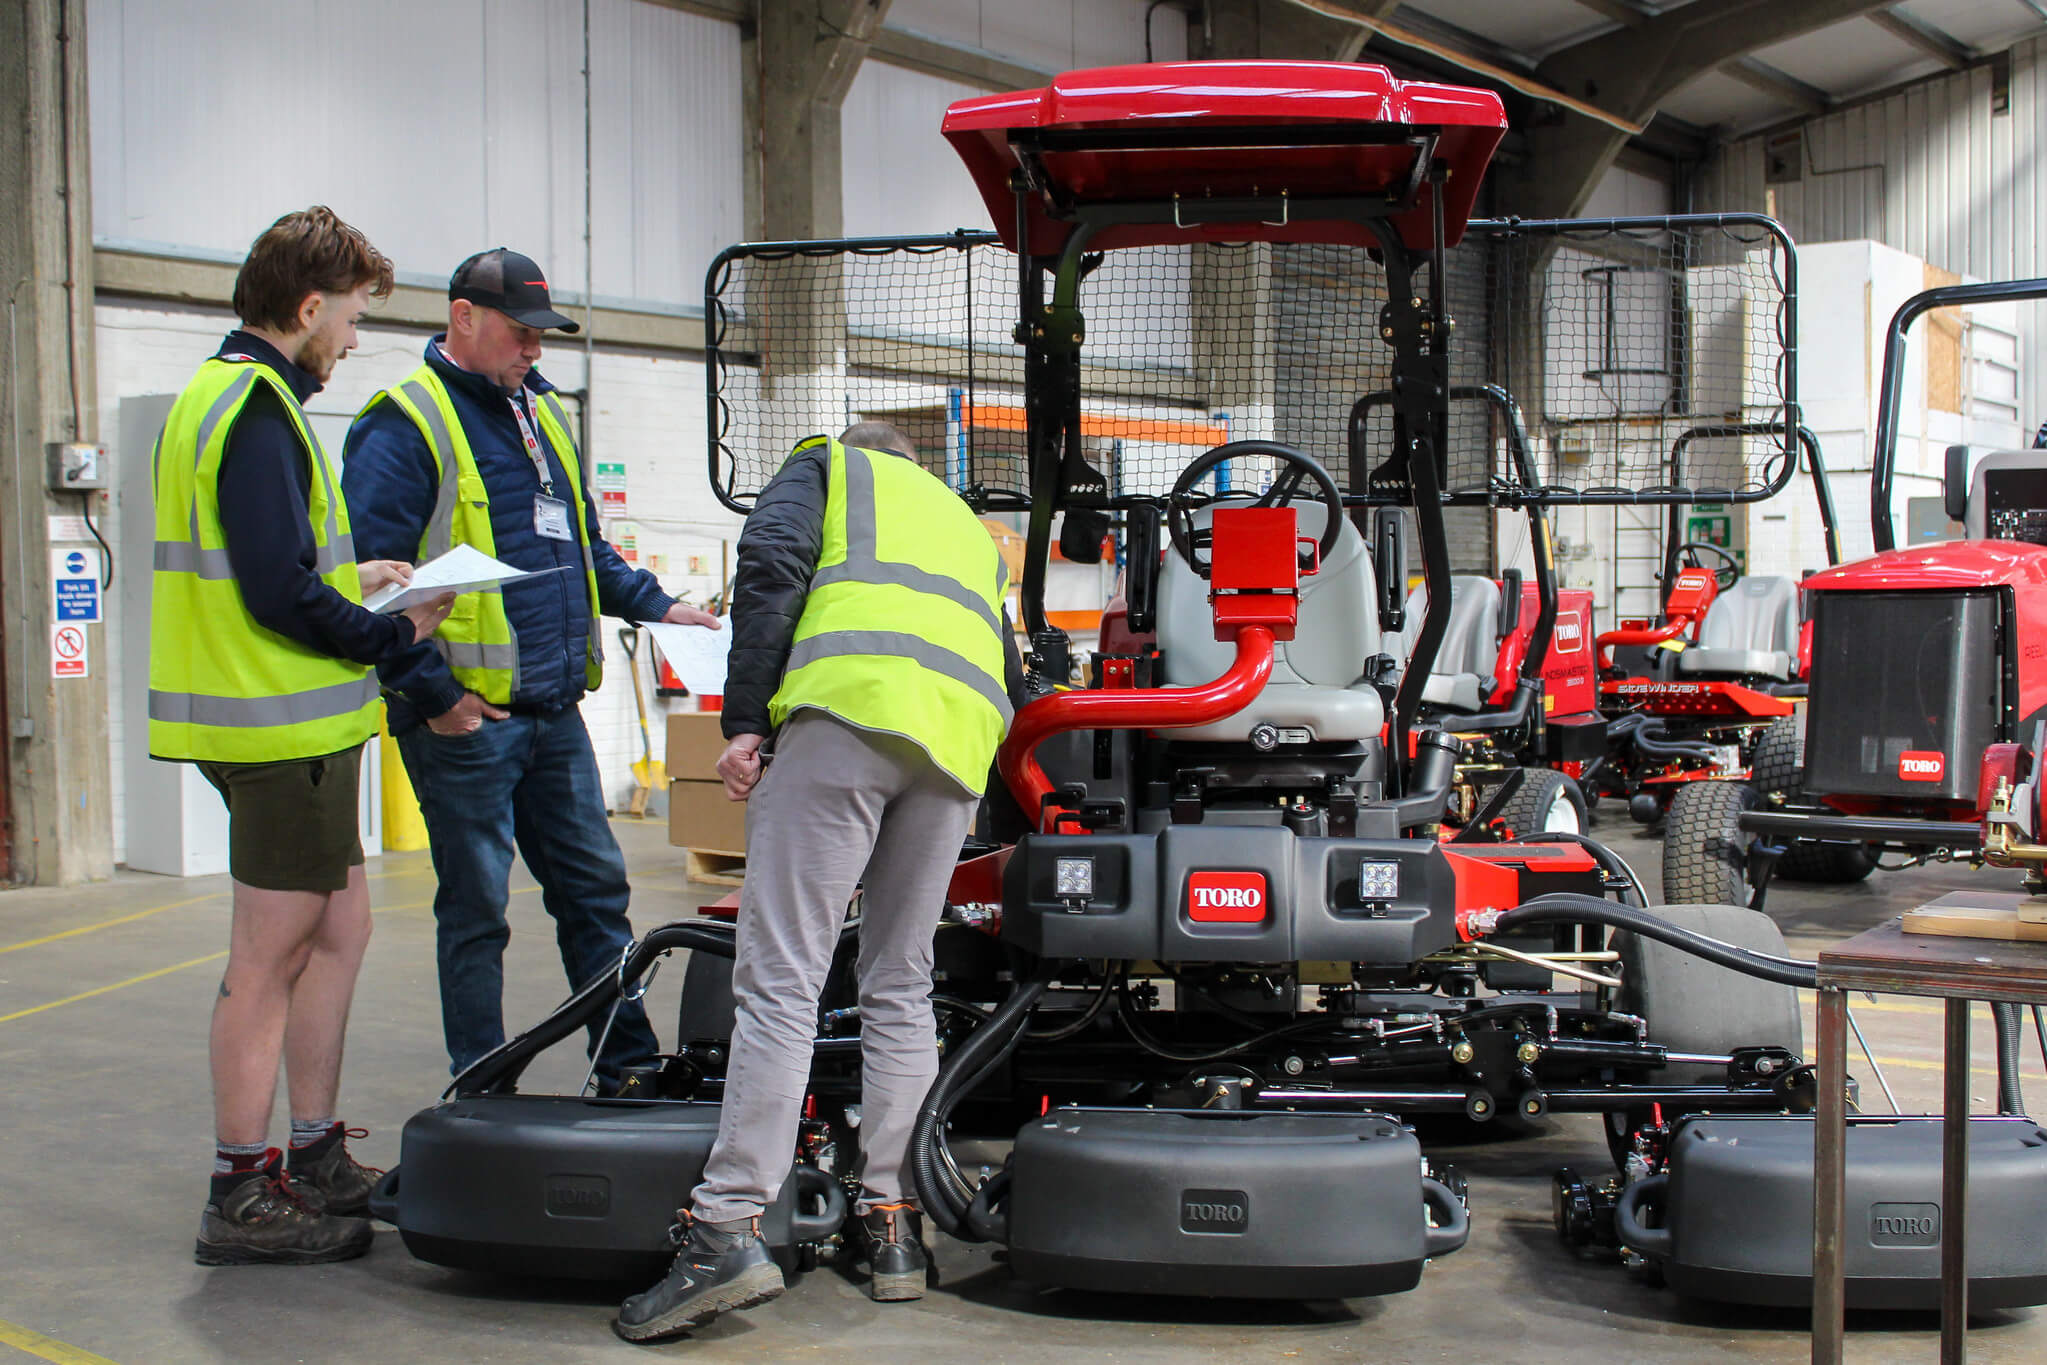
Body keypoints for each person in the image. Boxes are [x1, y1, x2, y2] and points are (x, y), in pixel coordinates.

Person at [616, 422, 1022, 1342]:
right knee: (899, 982)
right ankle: (894, 1222)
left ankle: (725, 1226)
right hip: (954, 749)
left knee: (781, 980)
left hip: (845, 715)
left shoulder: (826, 467)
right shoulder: (961, 519)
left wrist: (745, 718)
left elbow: (770, 576)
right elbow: (1006, 660)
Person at [151, 206, 456, 1266]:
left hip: (295, 725)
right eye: (355, 314)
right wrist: (385, 627)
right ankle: (241, 1189)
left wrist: (353, 579)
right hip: (274, 727)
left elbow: (275, 565)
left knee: (341, 931)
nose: (355, 339)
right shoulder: (254, 410)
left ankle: (316, 1152)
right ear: (310, 305)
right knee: (267, 956)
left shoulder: (235, 397)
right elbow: (277, 593)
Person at [341, 248, 720, 1092]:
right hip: (464, 719)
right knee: (476, 913)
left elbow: (580, 550)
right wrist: (436, 697)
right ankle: (480, 1083)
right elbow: (371, 591)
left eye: (542, 338)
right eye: (521, 334)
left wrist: (660, 606)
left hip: (552, 711)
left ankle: (623, 1069)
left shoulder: (539, 415)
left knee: (595, 894)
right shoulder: (404, 422)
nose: (535, 352)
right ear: (463, 318)